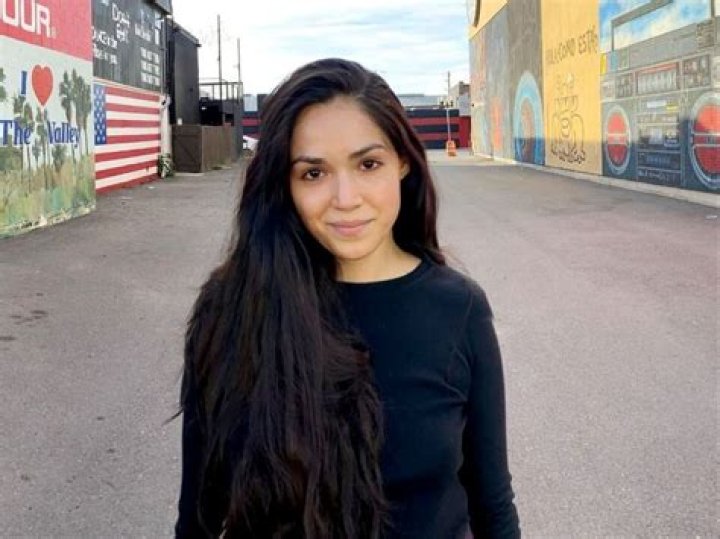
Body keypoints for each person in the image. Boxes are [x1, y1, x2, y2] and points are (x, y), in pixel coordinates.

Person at [175, 58, 520, 538]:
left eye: (368, 164)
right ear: (285, 184)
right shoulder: (235, 308)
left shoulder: (458, 309)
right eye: (314, 173)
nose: (345, 198)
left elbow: (492, 504)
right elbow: (198, 514)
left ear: (402, 162)